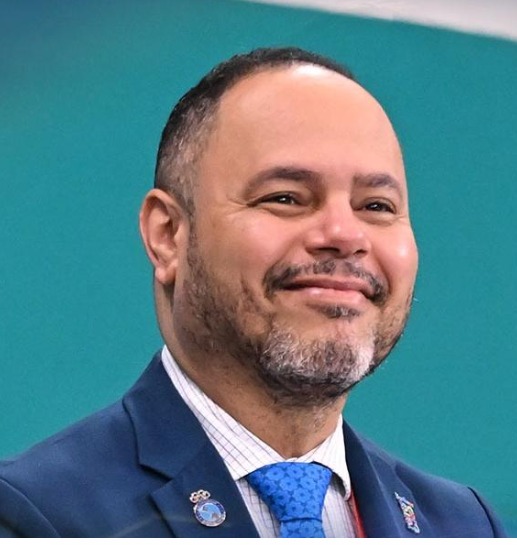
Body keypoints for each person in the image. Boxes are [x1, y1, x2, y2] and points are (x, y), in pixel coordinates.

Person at [0, 47, 506, 538]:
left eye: (376, 206)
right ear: (168, 236)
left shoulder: (466, 526)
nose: (345, 235)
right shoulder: (35, 515)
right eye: (285, 198)